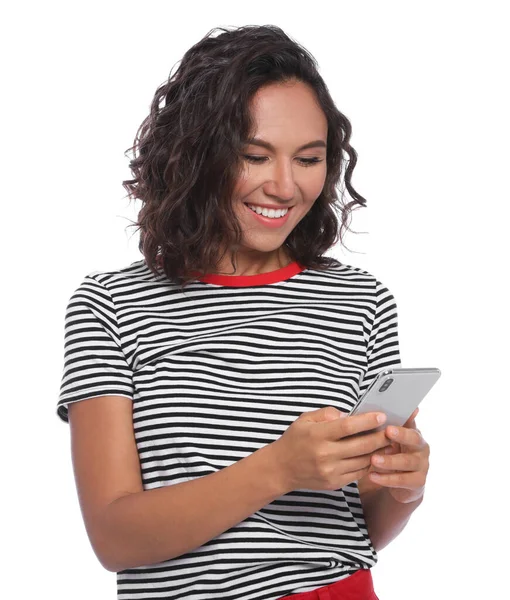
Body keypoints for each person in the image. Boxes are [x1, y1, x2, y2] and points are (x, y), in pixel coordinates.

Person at [56, 24, 430, 600]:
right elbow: (114, 537)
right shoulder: (110, 305)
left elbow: (358, 532)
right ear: (194, 156)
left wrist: (401, 490)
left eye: (309, 159)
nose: (284, 186)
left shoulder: (361, 300)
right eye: (255, 156)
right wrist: (279, 468)